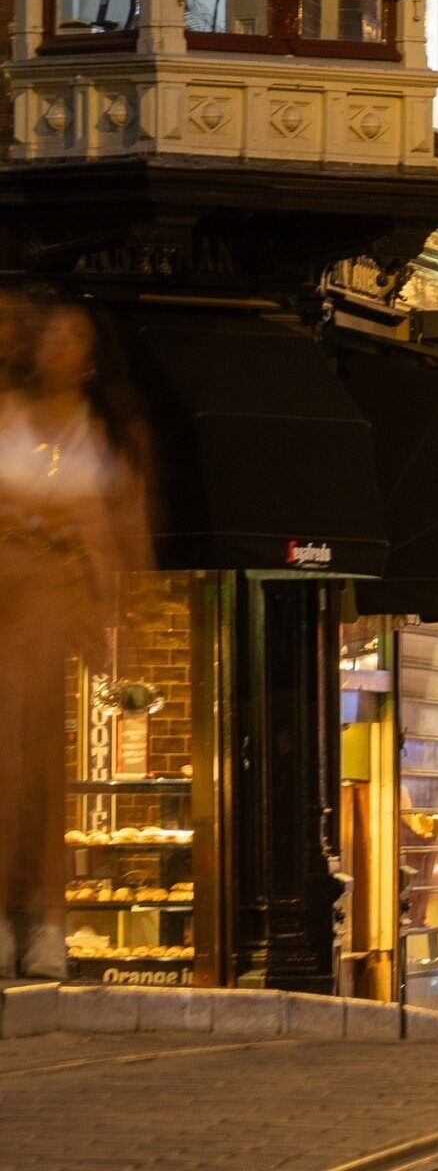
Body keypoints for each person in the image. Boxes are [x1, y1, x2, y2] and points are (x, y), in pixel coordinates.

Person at [0, 296, 146, 982]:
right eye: (50, 337)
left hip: (52, 617)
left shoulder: (101, 438)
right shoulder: (8, 417)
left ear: (88, 360)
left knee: (41, 775)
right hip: (7, 607)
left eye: (73, 339)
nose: (56, 349)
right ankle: (8, 916)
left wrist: (122, 643)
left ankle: (46, 920)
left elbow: (119, 541)